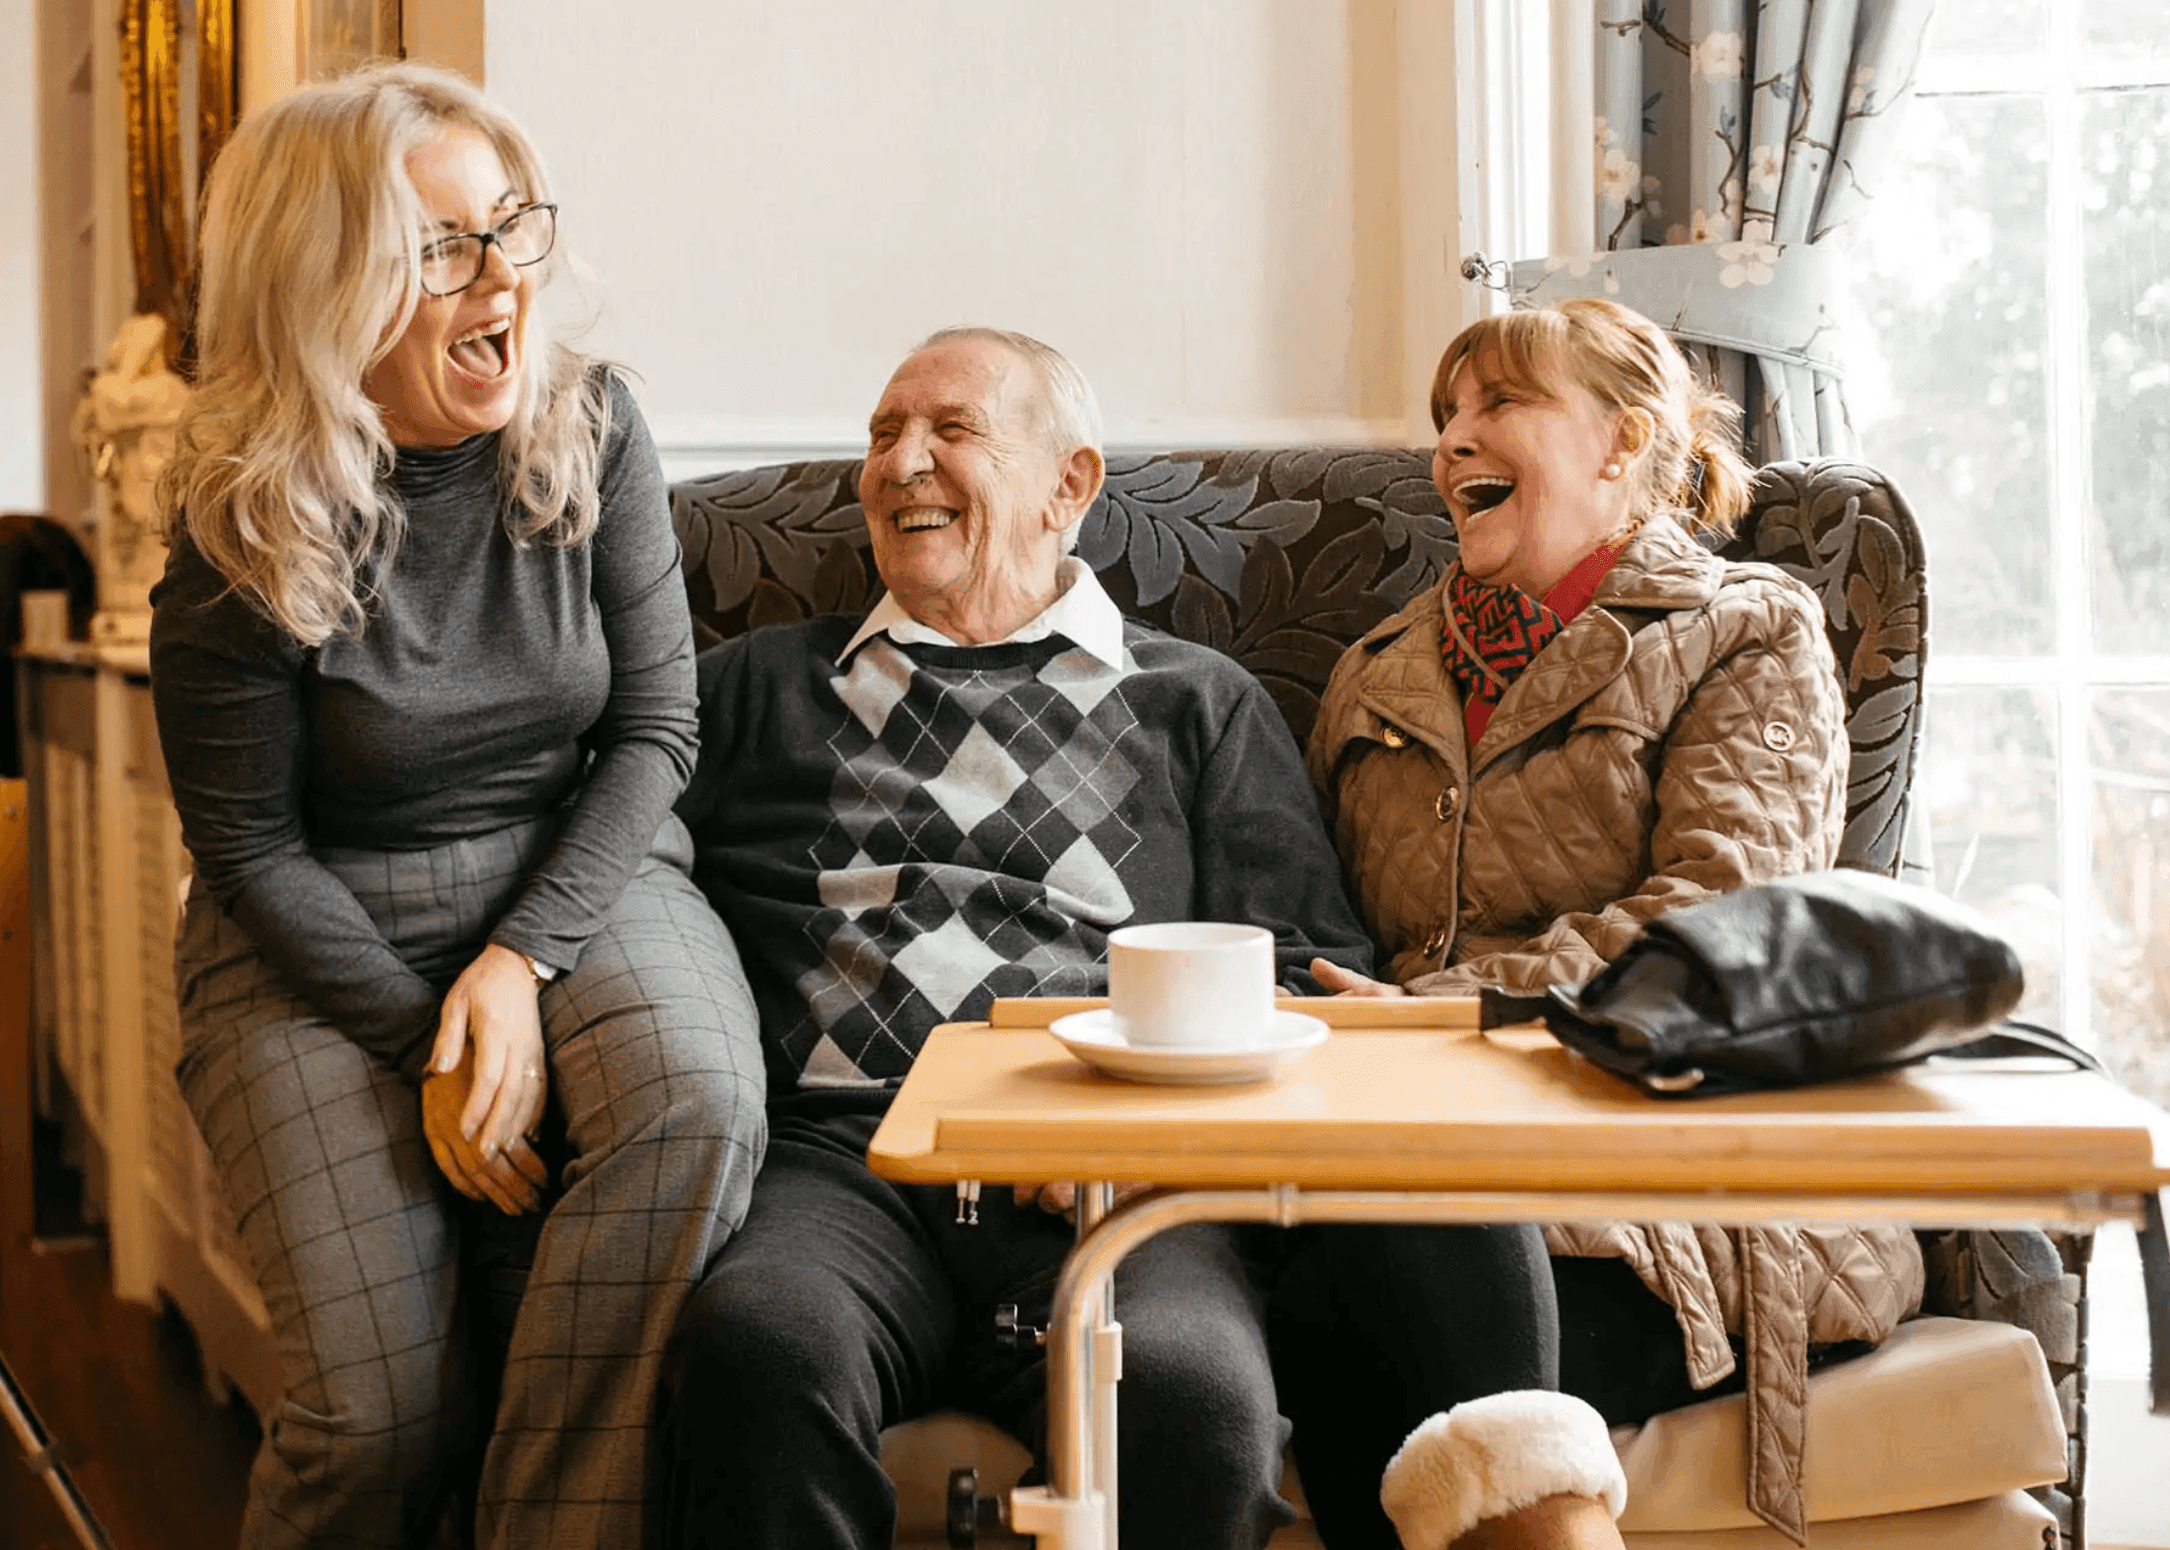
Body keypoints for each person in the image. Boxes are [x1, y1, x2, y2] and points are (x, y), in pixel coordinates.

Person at [658, 327, 1561, 1550]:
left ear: (1070, 485)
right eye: (882, 435)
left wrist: (1159, 1129)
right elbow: (618, 855)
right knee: (755, 1353)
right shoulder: (754, 688)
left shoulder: (1193, 696)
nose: (898, 463)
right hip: (846, 1158)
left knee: (1189, 1399)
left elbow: (1300, 968)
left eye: (952, 430)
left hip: (1115, 1174)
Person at [150, 63, 764, 1550]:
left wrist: (517, 962)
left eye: (510, 227)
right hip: (318, 916)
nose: (503, 278)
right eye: (444, 249)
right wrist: (434, 1039)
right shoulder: (239, 510)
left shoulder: (593, 426)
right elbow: (246, 843)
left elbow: (654, 727)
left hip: (582, 867)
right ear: (330, 286)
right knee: (377, 1414)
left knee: (699, 1102)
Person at [1306, 297, 1923, 1548]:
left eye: (1499, 405)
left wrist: (1436, 1024)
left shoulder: (1744, 627)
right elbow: (1310, 924)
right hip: (1400, 1166)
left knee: (1372, 1328)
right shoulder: (1370, 669)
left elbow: (1721, 924)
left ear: (1621, 438)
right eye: (1445, 416)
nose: (1452, 443)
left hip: (1658, 1176)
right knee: (1330, 1294)